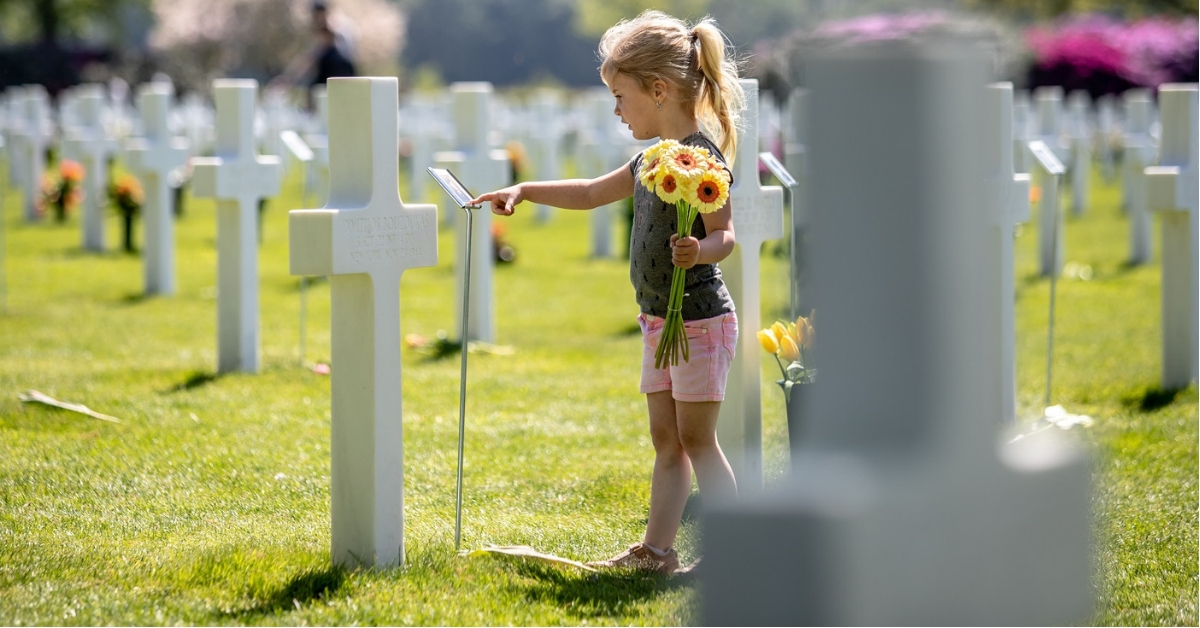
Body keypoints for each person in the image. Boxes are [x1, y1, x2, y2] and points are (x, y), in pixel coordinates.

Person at [469, 10, 745, 577]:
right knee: (666, 439)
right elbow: (593, 191)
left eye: (621, 96)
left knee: (697, 440)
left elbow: (724, 236)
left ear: (660, 89)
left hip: (698, 321)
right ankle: (658, 552)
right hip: (657, 321)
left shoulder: (701, 161)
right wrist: (524, 189)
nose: (616, 109)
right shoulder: (649, 160)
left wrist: (701, 251)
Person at [270, 0, 357, 109]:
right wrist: (289, 78)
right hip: (327, 71)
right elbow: (310, 57)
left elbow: (342, 57)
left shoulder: (338, 27)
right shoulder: (319, 31)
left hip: (340, 72)